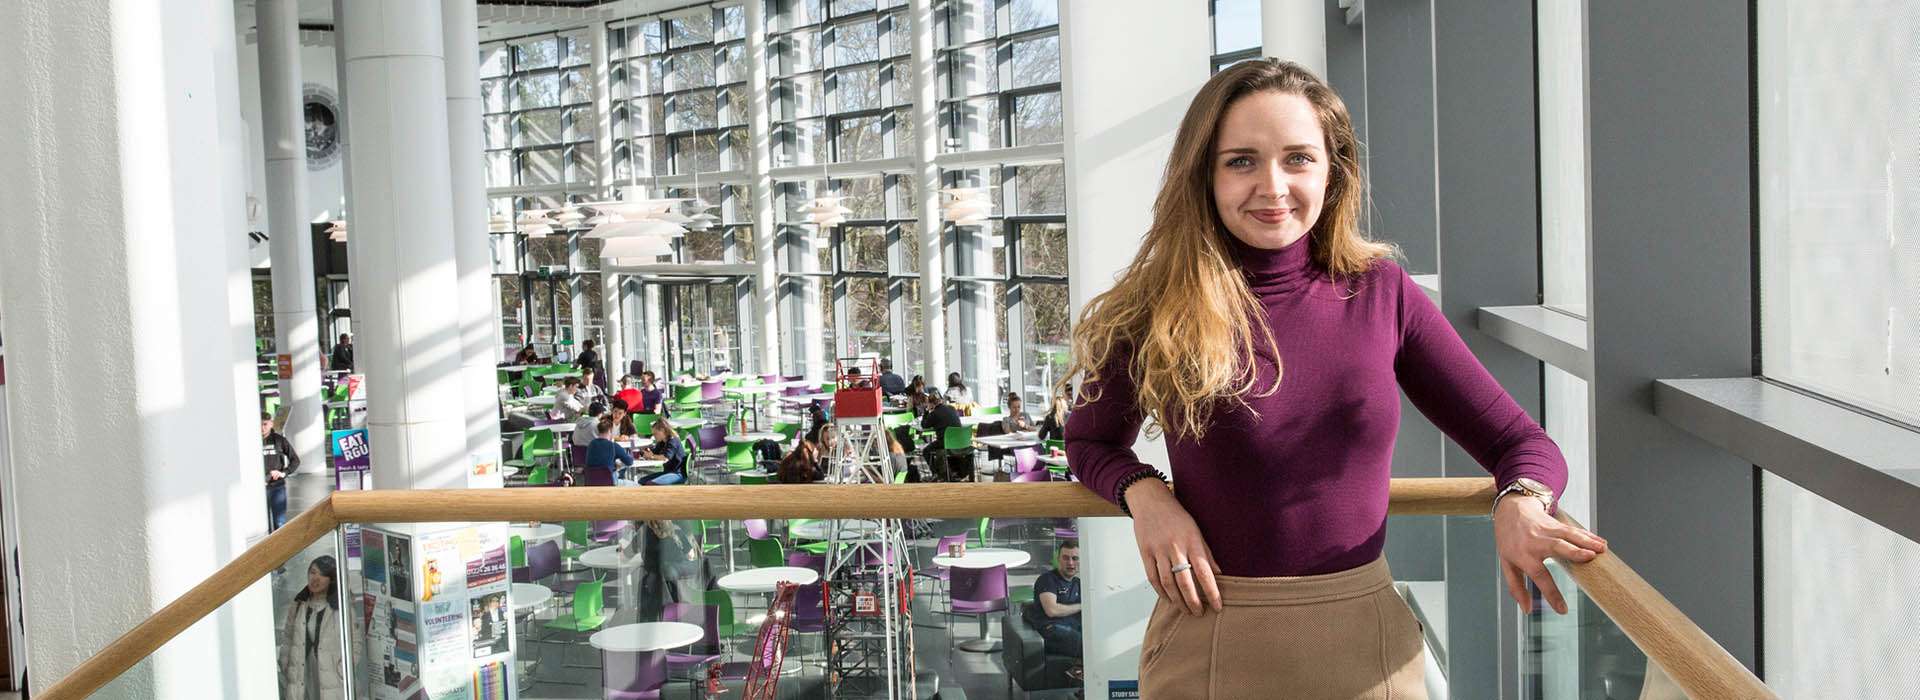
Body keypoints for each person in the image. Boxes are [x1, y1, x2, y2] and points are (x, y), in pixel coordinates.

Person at [1063, 60, 1603, 697]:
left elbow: (1524, 445)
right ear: (1203, 174)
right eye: (1241, 160)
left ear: (1332, 170)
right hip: (1209, 635)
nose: (1273, 186)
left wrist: (1523, 499)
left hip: (1365, 641)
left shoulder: (1383, 293)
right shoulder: (1160, 304)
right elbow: (1090, 442)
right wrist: (1146, 496)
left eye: (1298, 158)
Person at [279, 555, 343, 700]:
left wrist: (341, 670)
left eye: (322, 574)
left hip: (332, 676)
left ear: (331, 579)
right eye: (313, 572)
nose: (316, 578)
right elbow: (288, 637)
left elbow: (355, 643)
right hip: (301, 671)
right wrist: (286, 663)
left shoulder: (341, 605)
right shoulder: (299, 604)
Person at [1026, 541, 1083, 667]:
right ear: (1058, 560)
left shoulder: (1078, 583)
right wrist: (1081, 606)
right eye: (1065, 558)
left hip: (1072, 628)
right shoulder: (1047, 579)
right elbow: (1052, 610)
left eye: (1075, 558)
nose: (1070, 563)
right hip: (1051, 629)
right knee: (1086, 645)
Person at [261, 411, 300, 533]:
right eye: (259, 425)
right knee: (262, 526)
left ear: (271, 424)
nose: (262, 428)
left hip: (277, 488)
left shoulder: (280, 440)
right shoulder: (249, 443)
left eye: (265, 424)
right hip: (258, 491)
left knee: (280, 523)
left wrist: (283, 473)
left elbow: (295, 460)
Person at [582, 416, 634, 486]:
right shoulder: (613, 445)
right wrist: (631, 452)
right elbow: (629, 462)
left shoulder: (591, 444)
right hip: (610, 482)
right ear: (610, 431)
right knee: (636, 485)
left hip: (591, 482)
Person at [634, 419, 688, 485]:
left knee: (650, 484)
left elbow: (665, 457)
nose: (654, 436)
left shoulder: (673, 441)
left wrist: (651, 456)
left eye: (655, 434)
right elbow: (654, 452)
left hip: (677, 474)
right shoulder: (662, 442)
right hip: (668, 472)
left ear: (662, 430)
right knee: (641, 481)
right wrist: (645, 452)